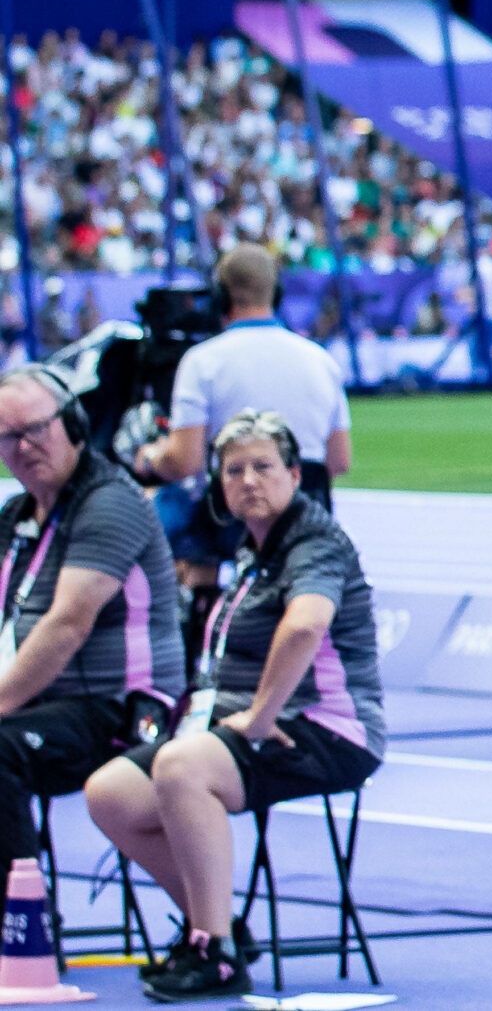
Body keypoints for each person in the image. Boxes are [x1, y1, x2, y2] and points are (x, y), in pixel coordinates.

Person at [86, 412, 381, 1002]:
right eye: (233, 470)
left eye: (263, 467)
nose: (248, 480)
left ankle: (214, 953)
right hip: (242, 723)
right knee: (110, 794)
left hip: (325, 728)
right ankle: (215, 927)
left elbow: (305, 626)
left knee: (181, 767)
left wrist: (261, 717)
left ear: (295, 475)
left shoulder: (314, 540)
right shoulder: (251, 547)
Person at [0, 366, 187, 886]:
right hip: (49, 706)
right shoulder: (18, 517)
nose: (24, 447)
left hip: (123, 710)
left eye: (36, 429)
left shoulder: (108, 503)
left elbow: (67, 626)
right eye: (8, 437)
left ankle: (22, 929)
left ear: (73, 424)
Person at [131, 247, 351, 653]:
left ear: (221, 298)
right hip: (309, 513)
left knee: (158, 509)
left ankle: (195, 631)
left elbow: (185, 462)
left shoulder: (203, 361)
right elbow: (339, 461)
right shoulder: (320, 360)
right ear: (277, 294)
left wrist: (146, 457)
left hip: (230, 520)